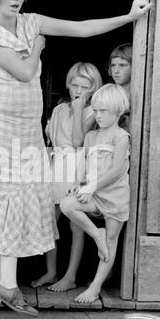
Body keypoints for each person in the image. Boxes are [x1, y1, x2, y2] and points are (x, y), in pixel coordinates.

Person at [0, 0, 151, 316]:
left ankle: (6, 285)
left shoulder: (31, 22)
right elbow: (23, 71)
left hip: (25, 127)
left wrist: (129, 18)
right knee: (1, 194)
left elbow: (81, 29)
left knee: (22, 195)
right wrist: (38, 46)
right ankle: (8, 285)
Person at [31, 62, 103, 291]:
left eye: (85, 87)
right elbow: (51, 141)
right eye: (75, 85)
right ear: (68, 84)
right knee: (49, 221)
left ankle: (70, 276)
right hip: (57, 167)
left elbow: (77, 142)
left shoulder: (93, 112)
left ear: (94, 88)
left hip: (78, 167)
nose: (78, 91)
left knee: (76, 225)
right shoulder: (59, 110)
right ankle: (52, 272)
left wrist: (80, 109)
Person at [60, 84, 130, 303]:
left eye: (103, 111)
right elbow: (83, 162)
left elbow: (117, 170)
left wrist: (92, 186)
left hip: (114, 196)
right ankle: (95, 234)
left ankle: (95, 287)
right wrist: (77, 183)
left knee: (111, 239)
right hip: (93, 195)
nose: (97, 115)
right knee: (67, 204)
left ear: (118, 111)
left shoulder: (120, 137)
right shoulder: (91, 136)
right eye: (96, 110)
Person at [108, 43, 132, 131]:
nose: (116, 71)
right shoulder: (106, 94)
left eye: (122, 65)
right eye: (113, 65)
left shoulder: (139, 96)